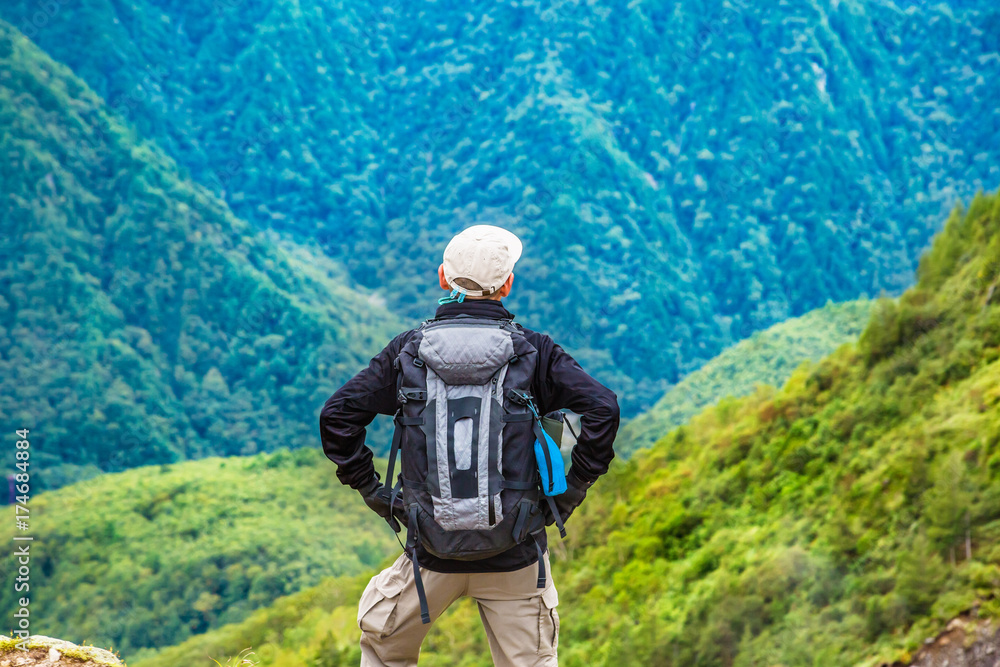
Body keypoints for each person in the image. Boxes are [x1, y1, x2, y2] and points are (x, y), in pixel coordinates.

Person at [320, 225, 620, 666]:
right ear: (508, 285)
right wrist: (571, 490)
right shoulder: (536, 352)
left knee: (384, 649)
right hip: (515, 553)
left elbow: (338, 415)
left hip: (431, 551)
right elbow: (603, 408)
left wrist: (375, 492)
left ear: (443, 277)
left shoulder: (408, 352)